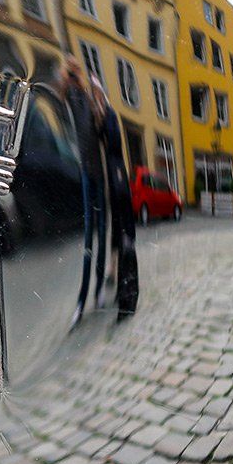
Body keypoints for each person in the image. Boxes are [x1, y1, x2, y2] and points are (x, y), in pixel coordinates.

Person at [90, 73, 140, 320]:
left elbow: (112, 147)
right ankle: (123, 292)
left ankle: (127, 298)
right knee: (119, 239)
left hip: (117, 183)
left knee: (124, 240)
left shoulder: (109, 116)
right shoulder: (103, 119)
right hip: (111, 183)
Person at [63, 58, 107, 325]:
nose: (72, 77)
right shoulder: (68, 100)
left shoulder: (90, 103)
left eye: (74, 72)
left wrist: (96, 97)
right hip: (83, 175)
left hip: (97, 175)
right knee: (89, 239)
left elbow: (101, 130)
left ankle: (99, 290)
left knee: (100, 234)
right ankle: (82, 300)